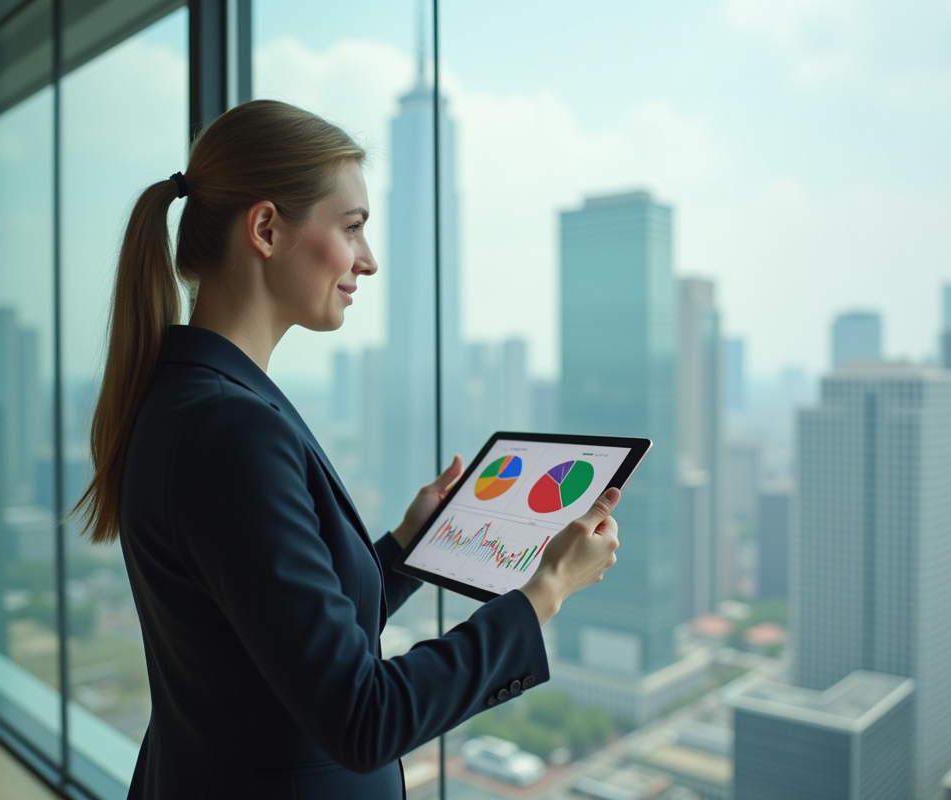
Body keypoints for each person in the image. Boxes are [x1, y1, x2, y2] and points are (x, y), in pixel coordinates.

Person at [74, 99, 621, 800]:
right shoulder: (231, 429)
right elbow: (363, 716)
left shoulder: (189, 398)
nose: (368, 260)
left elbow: (281, 636)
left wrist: (406, 543)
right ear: (266, 229)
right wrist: (545, 591)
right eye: (352, 227)